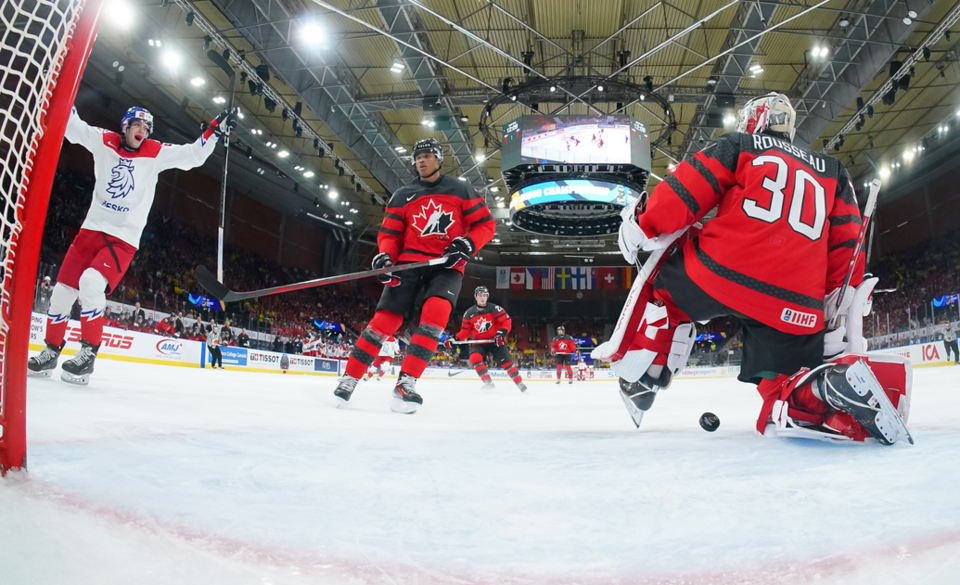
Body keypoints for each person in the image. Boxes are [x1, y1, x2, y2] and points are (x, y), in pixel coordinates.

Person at [598, 92, 912, 445]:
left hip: (721, 273)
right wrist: (837, 300)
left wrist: (644, 223)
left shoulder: (740, 144)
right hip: (796, 301)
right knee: (784, 387)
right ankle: (823, 393)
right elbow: (847, 246)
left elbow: (689, 188)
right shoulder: (833, 171)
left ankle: (646, 377)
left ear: (755, 120)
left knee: (662, 291)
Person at [27, 105, 235, 384]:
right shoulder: (104, 141)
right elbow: (74, 128)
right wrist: (63, 97)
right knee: (62, 292)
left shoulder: (154, 151)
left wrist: (214, 131)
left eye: (147, 128)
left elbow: (192, 155)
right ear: (125, 126)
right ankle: (50, 351)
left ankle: (88, 353)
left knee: (90, 282)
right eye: (138, 125)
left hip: (122, 238)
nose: (143, 131)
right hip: (90, 230)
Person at [332, 137, 495, 414]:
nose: (421, 160)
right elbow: (390, 235)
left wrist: (468, 244)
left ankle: (406, 382)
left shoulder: (460, 189)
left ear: (439, 158)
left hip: (447, 264)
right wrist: (384, 258)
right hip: (408, 264)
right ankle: (350, 378)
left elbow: (485, 224)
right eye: (417, 156)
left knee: (436, 318)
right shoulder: (402, 195)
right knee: (384, 321)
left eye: (427, 155)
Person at [444, 286, 526, 392]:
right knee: (474, 358)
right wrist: (454, 339)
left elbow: (507, 322)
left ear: (487, 297)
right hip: (479, 342)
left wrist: (501, 333)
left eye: (484, 296)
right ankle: (488, 383)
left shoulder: (495, 309)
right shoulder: (469, 313)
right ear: (476, 297)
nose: (482, 298)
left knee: (507, 363)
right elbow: (465, 332)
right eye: (480, 295)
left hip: (495, 341)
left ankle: (520, 384)